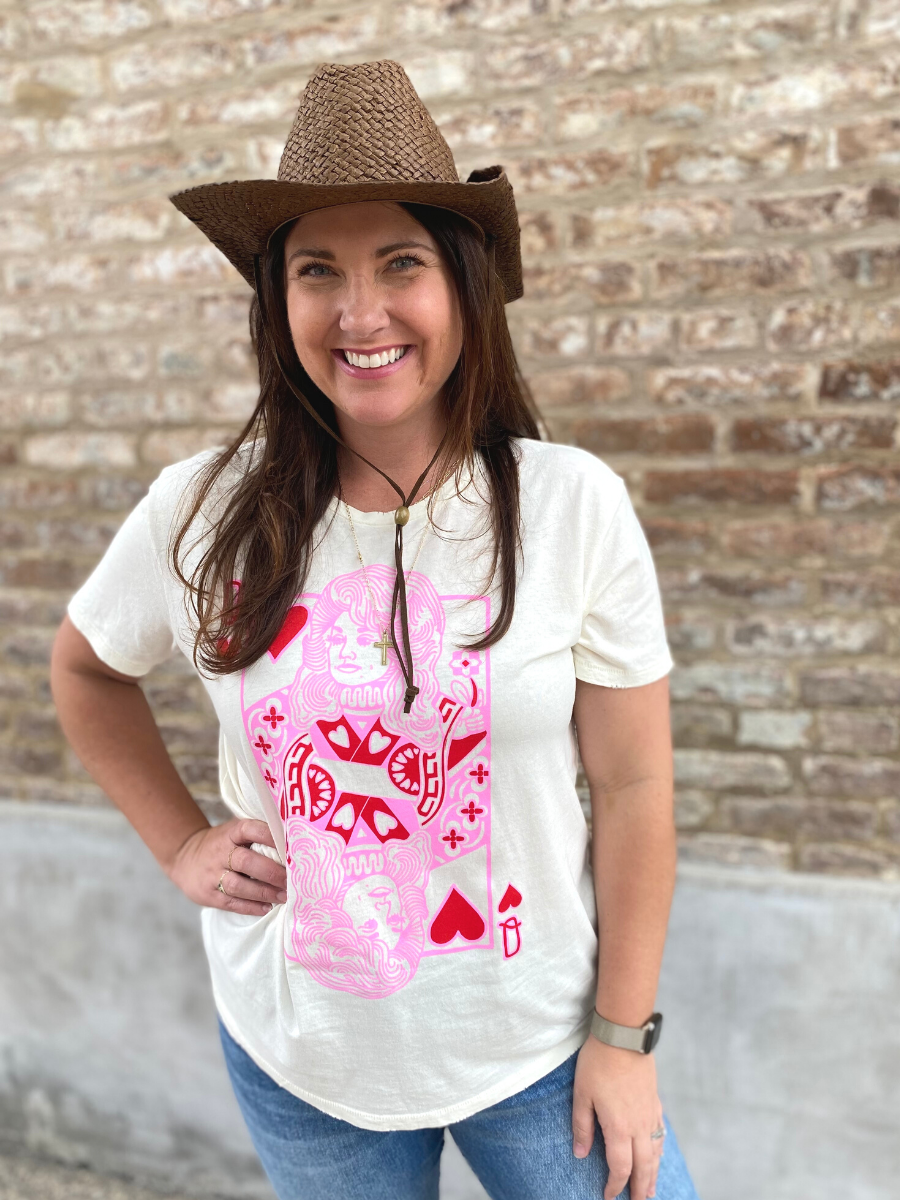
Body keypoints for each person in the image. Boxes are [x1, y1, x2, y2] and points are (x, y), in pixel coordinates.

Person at [50, 60, 701, 1200]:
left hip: (543, 1049)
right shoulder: (200, 510)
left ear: (464, 286)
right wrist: (181, 844)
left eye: (401, 263)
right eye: (317, 271)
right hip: (303, 1053)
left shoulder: (569, 505)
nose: (361, 314)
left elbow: (636, 786)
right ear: (277, 301)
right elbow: (86, 669)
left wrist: (624, 1036)